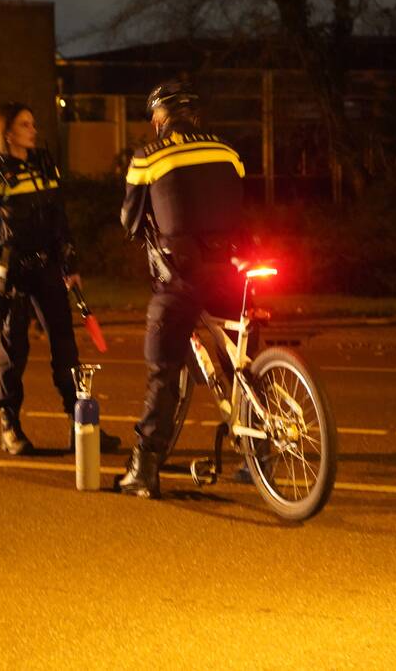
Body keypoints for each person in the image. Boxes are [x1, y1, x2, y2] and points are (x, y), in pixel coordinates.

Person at [115, 80, 248, 498]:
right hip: (235, 267)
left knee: (163, 368)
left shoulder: (148, 155)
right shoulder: (226, 149)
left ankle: (144, 467)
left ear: (160, 118)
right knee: (239, 361)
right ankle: (256, 454)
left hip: (185, 275)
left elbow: (130, 221)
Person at [0, 102, 120, 456]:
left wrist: (71, 264)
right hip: (14, 275)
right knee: (14, 352)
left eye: (33, 124)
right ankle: (10, 426)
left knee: (66, 348)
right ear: (7, 133)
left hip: (48, 269)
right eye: (25, 125)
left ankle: (79, 425)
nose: (34, 130)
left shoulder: (45, 168)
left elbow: (59, 221)